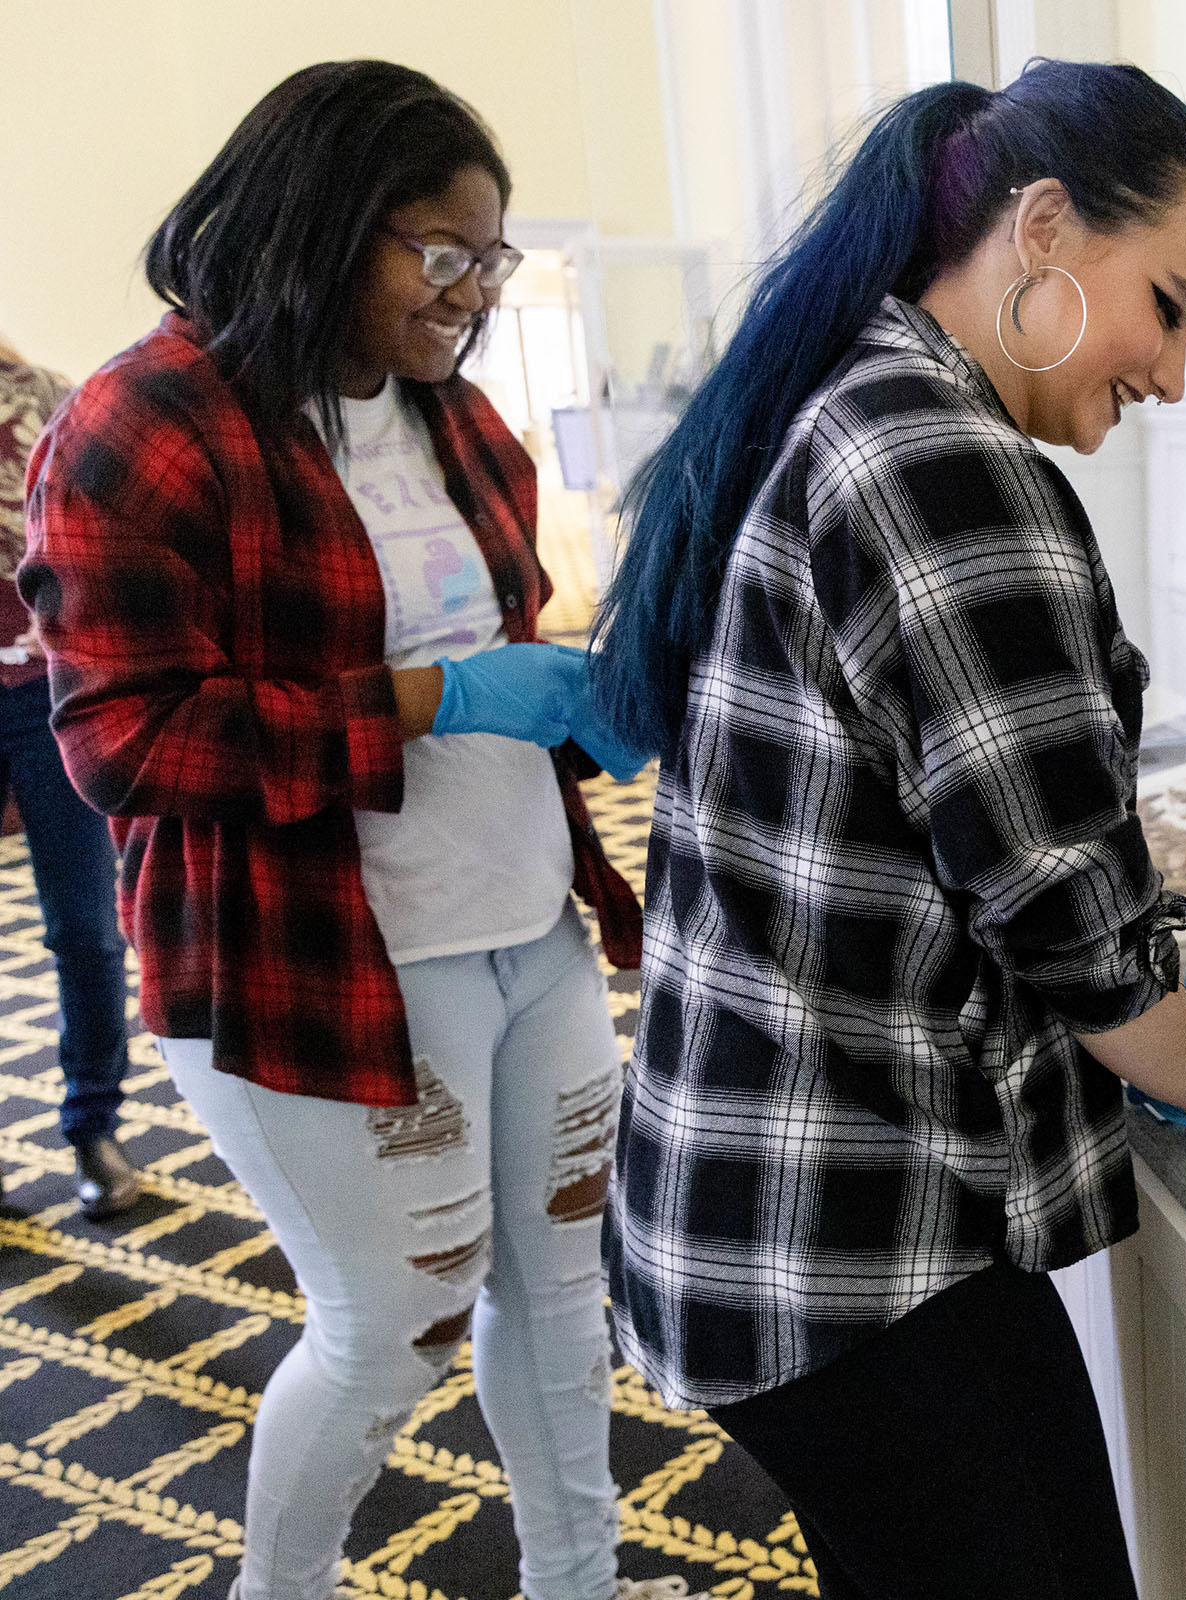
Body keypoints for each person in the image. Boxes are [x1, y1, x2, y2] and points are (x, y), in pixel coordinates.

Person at [589, 61, 1186, 1600]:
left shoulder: (860, 396)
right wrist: (1184, 1067)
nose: (1172, 374)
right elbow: (1062, 901)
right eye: (1169, 307)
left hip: (789, 1204)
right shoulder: (939, 454)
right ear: (1043, 226)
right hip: (842, 1239)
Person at [23, 62, 680, 1600]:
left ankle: (577, 1583)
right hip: (325, 962)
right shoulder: (145, 424)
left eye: (488, 262)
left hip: (526, 925)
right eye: (440, 256)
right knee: (393, 1334)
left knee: (563, 1296)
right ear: (321, 221)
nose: (470, 295)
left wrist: (577, 699)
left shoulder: (450, 416)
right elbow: (124, 738)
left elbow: (501, 643)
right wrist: (433, 700)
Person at [0, 335, 137, 1219]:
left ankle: (93, 1125)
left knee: (85, 927)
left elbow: (108, 537)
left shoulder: (50, 397)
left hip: (47, 691)